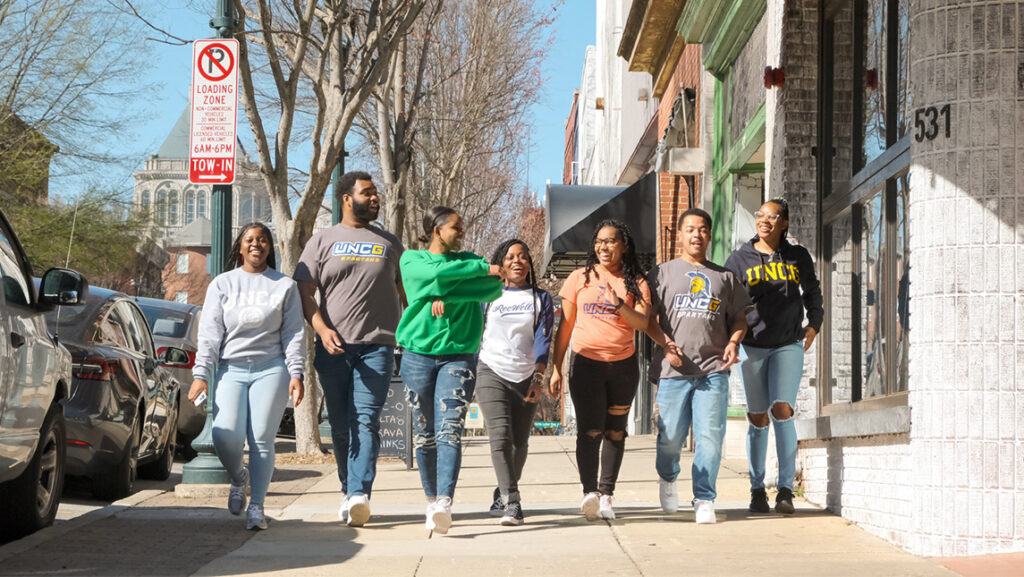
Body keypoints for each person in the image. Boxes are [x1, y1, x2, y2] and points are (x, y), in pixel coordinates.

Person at [293, 171, 405, 527]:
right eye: (367, 193)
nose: (375, 198)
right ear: (346, 198)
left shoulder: (390, 243)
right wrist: (322, 329)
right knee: (340, 425)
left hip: (377, 346)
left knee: (365, 422)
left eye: (376, 193)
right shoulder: (321, 241)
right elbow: (305, 293)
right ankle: (348, 488)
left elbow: (408, 293)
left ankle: (360, 493)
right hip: (334, 347)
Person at [189, 222, 306, 531]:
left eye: (263, 239)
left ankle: (257, 507)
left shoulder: (285, 286)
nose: (257, 244)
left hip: (271, 368)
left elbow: (294, 332)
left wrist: (296, 372)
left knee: (262, 441)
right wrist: (201, 374)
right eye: (250, 240)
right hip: (231, 369)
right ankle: (239, 479)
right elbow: (210, 333)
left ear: (271, 247)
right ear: (240, 248)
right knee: (223, 434)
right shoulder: (223, 284)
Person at [397, 206, 503, 534]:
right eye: (456, 228)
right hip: (416, 354)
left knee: (449, 430)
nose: (462, 233)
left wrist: (444, 296)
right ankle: (431, 499)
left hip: (459, 356)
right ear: (436, 229)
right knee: (425, 433)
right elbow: (430, 279)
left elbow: (493, 288)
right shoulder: (411, 260)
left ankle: (444, 501)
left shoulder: (464, 258)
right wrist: (477, 271)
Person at [644, 208, 751, 525]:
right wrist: (665, 344)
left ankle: (704, 497)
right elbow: (648, 320)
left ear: (709, 234)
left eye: (703, 229)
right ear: (679, 235)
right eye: (690, 229)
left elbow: (740, 319)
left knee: (710, 438)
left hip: (713, 370)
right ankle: (667, 477)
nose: (696, 234)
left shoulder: (725, 278)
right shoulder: (661, 274)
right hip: (672, 371)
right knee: (671, 438)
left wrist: (734, 342)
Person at [548, 219, 651, 521]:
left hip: (623, 365)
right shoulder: (579, 278)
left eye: (611, 241)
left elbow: (642, 324)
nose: (603, 247)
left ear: (624, 245)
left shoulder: (637, 281)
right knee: (590, 430)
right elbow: (564, 328)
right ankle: (589, 492)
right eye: (599, 241)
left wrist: (618, 302)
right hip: (586, 364)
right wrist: (555, 368)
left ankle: (607, 495)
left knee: (616, 431)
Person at [725, 197, 822, 515]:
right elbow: (728, 301)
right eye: (760, 214)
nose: (764, 220)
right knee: (757, 417)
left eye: (772, 216)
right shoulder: (740, 259)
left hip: (788, 343)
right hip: (752, 346)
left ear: (784, 222)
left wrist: (815, 323)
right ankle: (756, 489)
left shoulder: (797, 256)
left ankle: (785, 489)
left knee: (782, 409)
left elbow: (812, 290)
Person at [476, 239, 554, 526]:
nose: (517, 261)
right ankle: (513, 501)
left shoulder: (540, 299)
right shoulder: (487, 295)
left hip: (526, 375)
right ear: (502, 263)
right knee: (500, 437)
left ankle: (501, 492)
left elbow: (543, 339)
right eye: (510, 257)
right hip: (491, 369)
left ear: (529, 264)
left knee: (519, 443)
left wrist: (538, 376)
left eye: (523, 256)